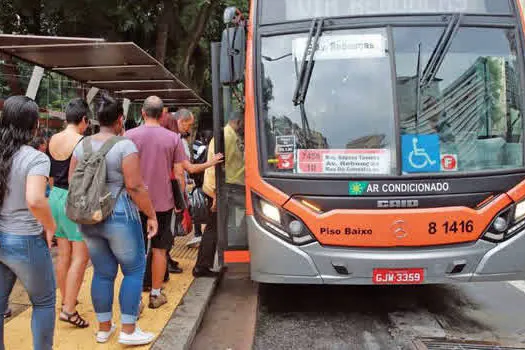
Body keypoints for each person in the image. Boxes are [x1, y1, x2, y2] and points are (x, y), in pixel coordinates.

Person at [70, 95, 158, 345]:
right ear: (120, 119)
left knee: (102, 272)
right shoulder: (124, 145)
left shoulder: (82, 145)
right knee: (133, 270)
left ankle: (104, 328)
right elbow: (135, 186)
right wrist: (151, 214)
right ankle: (129, 331)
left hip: (88, 217)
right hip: (119, 213)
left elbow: (73, 182)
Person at [126, 98, 223, 309]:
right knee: (160, 249)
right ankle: (155, 294)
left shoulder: (129, 136)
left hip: (134, 203)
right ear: (162, 115)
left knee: (136, 250)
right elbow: (180, 172)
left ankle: (134, 299)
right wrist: (182, 200)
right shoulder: (173, 138)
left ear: (143, 112)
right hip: (163, 204)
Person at [0, 96, 57, 350]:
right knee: (43, 302)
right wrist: (50, 225)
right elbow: (35, 199)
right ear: (34, 125)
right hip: (25, 239)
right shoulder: (35, 158)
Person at [48, 98, 90, 328]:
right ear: (83, 119)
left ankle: (66, 299)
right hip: (72, 199)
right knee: (81, 256)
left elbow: (51, 174)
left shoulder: (53, 139)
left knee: (63, 254)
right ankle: (69, 309)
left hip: (54, 196)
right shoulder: (82, 142)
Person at [194, 111, 245, 277]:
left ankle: (205, 265)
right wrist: (216, 197)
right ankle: (201, 267)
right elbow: (218, 168)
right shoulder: (226, 137)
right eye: (243, 122)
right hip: (219, 191)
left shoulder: (229, 135)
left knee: (216, 228)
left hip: (224, 189)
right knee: (213, 229)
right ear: (238, 121)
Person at [186, 129, 213, 247]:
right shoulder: (210, 150)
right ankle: (206, 234)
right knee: (207, 208)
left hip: (202, 184)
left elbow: (195, 167)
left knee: (198, 207)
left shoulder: (204, 150)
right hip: (210, 185)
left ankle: (198, 234)